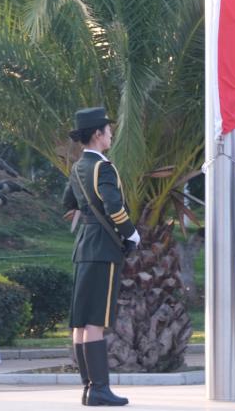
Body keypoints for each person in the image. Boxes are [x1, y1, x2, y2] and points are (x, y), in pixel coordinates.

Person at [62, 107, 140, 407]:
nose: (111, 135)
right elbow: (113, 207)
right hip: (103, 248)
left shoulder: (78, 167)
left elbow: (68, 203)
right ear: (97, 134)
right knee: (95, 320)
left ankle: (89, 388)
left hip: (84, 246)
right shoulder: (103, 168)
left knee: (81, 322)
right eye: (108, 130)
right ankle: (99, 389)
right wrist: (131, 233)